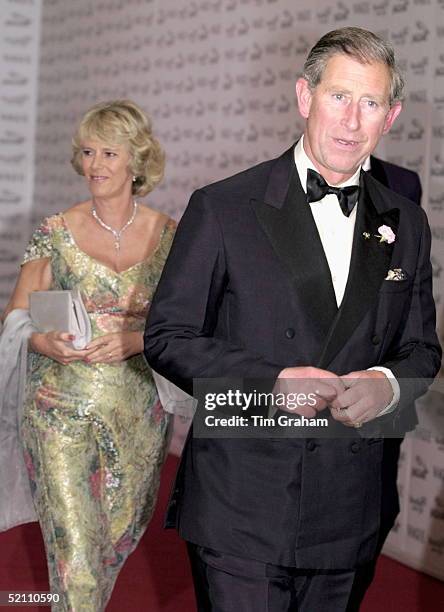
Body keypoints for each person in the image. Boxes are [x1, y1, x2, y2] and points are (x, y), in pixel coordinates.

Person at [144, 27, 441, 612]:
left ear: (392, 115)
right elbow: (167, 337)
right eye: (338, 96)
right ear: (305, 97)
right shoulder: (223, 206)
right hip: (242, 500)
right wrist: (271, 383)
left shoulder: (406, 220)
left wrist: (386, 387)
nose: (352, 121)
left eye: (371, 103)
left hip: (350, 506)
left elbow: (422, 350)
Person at [2, 100, 176, 611]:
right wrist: (42, 339)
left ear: (136, 161)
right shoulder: (55, 231)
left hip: (139, 412)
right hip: (57, 407)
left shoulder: (170, 235)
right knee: (75, 554)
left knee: (113, 545)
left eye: (109, 152)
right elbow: (16, 315)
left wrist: (138, 340)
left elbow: (188, 325)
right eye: (87, 152)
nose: (95, 164)